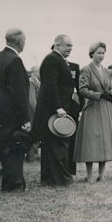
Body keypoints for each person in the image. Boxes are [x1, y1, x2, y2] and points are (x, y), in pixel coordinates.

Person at [73, 42, 112, 183]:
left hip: (106, 108)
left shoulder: (106, 70)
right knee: (91, 142)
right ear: (92, 54)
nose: (101, 56)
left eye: (103, 53)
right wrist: (99, 95)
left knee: (105, 141)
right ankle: (89, 176)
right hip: (93, 108)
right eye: (98, 53)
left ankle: (102, 175)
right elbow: (82, 90)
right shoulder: (86, 70)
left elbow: (108, 88)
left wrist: (110, 94)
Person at [0, 28, 31, 192]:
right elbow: (19, 93)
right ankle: (13, 184)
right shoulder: (15, 61)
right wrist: (25, 119)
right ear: (20, 41)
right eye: (24, 39)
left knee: (4, 149)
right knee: (15, 148)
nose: (25, 42)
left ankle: (8, 183)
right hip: (12, 114)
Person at [32, 34, 75, 186]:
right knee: (58, 145)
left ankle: (51, 179)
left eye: (71, 46)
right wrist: (58, 107)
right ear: (57, 45)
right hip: (55, 111)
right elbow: (50, 85)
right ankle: (60, 179)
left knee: (53, 145)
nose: (70, 49)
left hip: (55, 109)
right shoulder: (52, 59)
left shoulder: (56, 59)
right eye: (67, 45)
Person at [67, 60, 82, 176]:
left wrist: (81, 106)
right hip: (61, 106)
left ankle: (71, 170)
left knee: (73, 138)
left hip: (73, 106)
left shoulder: (74, 66)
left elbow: (78, 86)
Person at [26, 65, 41, 162]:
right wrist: (38, 113)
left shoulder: (35, 82)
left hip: (33, 113)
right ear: (35, 72)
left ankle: (32, 156)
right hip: (33, 113)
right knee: (34, 134)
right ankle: (31, 157)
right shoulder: (32, 82)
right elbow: (32, 100)